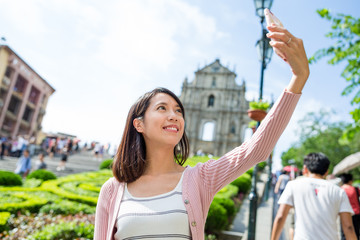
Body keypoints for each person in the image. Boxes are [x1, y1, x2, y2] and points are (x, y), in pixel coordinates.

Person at [94, 17, 310, 240]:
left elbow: (256, 150)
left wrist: (298, 79)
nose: (174, 116)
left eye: (179, 110)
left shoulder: (199, 179)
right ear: (138, 124)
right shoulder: (112, 190)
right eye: (162, 108)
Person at [271, 153, 357, 240]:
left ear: (305, 168)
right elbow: (348, 227)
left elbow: (280, 217)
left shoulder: (293, 185)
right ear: (326, 171)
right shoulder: (339, 191)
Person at [340, 173, 360, 240]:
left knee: (344, 233)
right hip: (356, 213)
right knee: (356, 232)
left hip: (344, 214)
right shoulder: (355, 189)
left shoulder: (339, 190)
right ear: (351, 180)